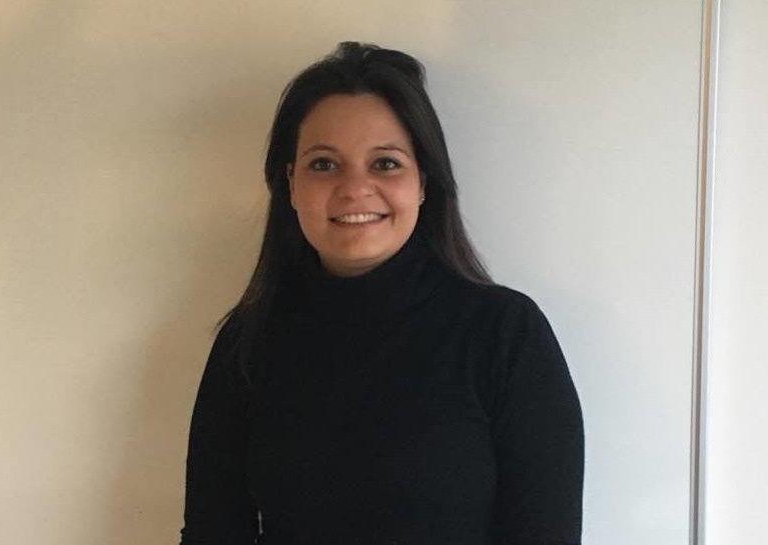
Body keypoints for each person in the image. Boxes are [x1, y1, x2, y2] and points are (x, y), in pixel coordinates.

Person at [180, 41, 584, 545]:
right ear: (290, 184)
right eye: (324, 164)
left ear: (423, 182)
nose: (355, 188)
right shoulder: (247, 344)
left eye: (386, 163)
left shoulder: (505, 335)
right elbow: (213, 533)